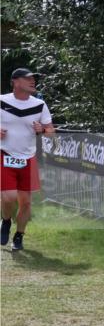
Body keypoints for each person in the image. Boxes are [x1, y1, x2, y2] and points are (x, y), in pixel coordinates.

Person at [1, 68, 55, 251]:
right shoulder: (2, 101)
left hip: (28, 158)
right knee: (8, 197)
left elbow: (51, 132)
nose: (33, 81)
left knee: (26, 202)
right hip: (5, 154)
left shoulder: (39, 104)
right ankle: (6, 221)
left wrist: (43, 130)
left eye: (34, 79)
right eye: (28, 78)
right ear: (15, 82)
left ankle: (19, 235)